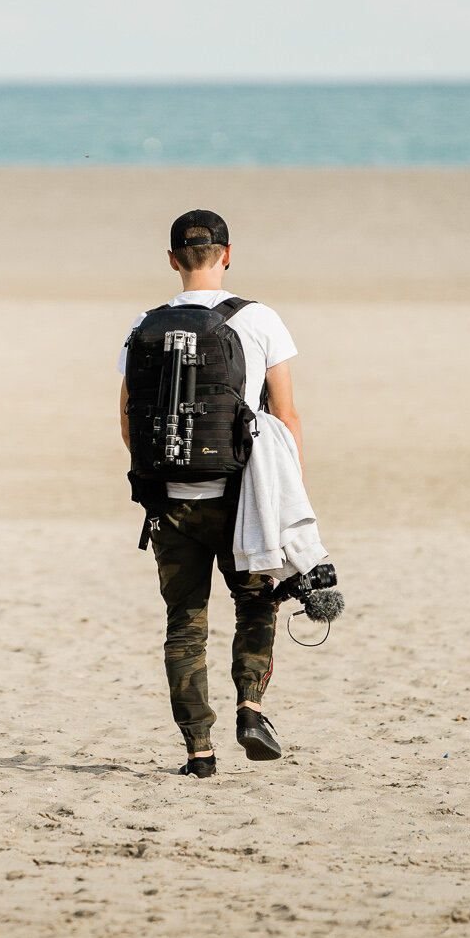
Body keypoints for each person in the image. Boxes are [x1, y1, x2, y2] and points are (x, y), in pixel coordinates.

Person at [118, 210, 302, 778]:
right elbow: (286, 414)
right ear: (227, 254)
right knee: (255, 601)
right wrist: (291, 499)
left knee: (185, 622)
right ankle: (250, 706)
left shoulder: (144, 325)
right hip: (242, 497)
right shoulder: (261, 319)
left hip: (172, 502)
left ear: (172, 259)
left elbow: (127, 418)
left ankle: (199, 751)